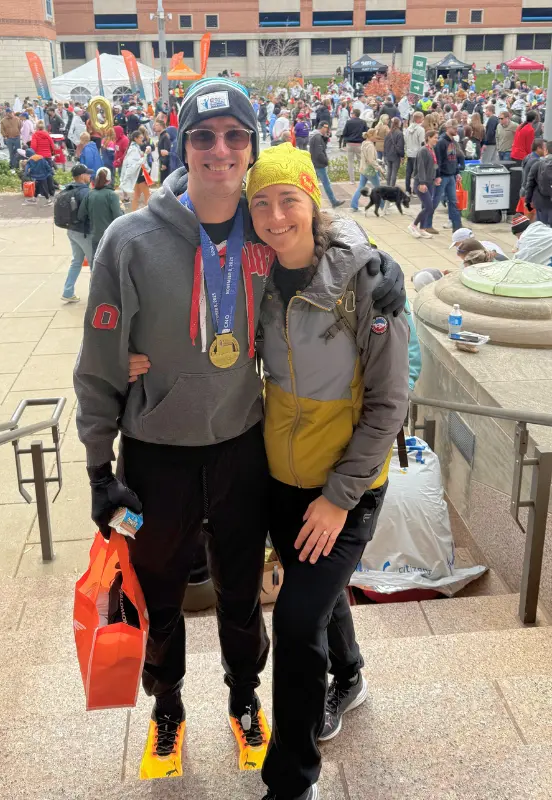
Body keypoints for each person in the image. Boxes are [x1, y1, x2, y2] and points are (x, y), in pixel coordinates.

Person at [74, 77, 406, 786]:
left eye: (234, 136)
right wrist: (101, 470)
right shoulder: (127, 240)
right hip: (156, 454)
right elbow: (97, 365)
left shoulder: (264, 231)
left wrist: (382, 260)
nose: (219, 150)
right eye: (203, 136)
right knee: (161, 594)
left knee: (240, 593)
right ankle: (166, 706)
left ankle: (245, 698)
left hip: (240, 450)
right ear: (182, 146)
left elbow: (322, 228)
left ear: (251, 148)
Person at [244, 144, 409, 800]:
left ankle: (293, 780)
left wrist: (339, 498)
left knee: (292, 618)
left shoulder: (367, 277)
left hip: (346, 489)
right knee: (317, 599)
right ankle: (351, 673)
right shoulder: (254, 275)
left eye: (289, 199)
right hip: (281, 482)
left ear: (313, 200)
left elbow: (390, 401)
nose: (276, 215)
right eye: (261, 203)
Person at [59, 163, 93, 303]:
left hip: (71, 230)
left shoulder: (68, 189)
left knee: (76, 261)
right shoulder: (85, 192)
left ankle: (68, 292)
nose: (90, 176)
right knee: (95, 264)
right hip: (84, 232)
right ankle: (95, 296)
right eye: (87, 174)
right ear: (81, 176)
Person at [77, 166, 124, 258]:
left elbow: (80, 215)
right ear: (109, 180)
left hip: (95, 237)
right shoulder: (112, 195)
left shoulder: (90, 194)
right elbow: (118, 218)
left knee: (97, 266)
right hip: (110, 238)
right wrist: (122, 209)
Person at [408, 129, 440, 239]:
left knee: (427, 206)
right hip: (422, 183)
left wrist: (435, 177)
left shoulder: (432, 149)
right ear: (429, 138)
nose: (437, 139)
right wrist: (422, 183)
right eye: (435, 137)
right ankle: (413, 225)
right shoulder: (423, 151)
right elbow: (420, 167)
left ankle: (422, 228)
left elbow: (433, 165)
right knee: (429, 207)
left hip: (430, 182)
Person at [433, 120, 463, 232]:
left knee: (453, 201)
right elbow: (438, 161)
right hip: (443, 176)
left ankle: (457, 226)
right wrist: (438, 175)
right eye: (454, 128)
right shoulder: (441, 142)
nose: (456, 130)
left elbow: (454, 159)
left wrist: (457, 172)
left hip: (451, 176)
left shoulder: (452, 141)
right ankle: (425, 224)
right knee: (435, 201)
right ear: (448, 128)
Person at [309, 121, 345, 209]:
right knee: (326, 184)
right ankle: (333, 201)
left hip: (315, 163)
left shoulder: (317, 136)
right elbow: (319, 152)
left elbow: (322, 147)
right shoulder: (317, 137)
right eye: (325, 127)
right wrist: (325, 161)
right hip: (319, 164)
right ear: (320, 127)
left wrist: (325, 137)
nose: (326, 129)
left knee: (313, 184)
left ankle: (311, 202)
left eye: (327, 127)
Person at [350, 128, 384, 212]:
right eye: (376, 135)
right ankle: (383, 206)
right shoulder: (370, 146)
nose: (377, 137)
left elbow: (368, 158)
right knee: (378, 188)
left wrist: (377, 161)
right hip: (370, 170)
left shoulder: (364, 144)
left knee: (360, 187)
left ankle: (354, 205)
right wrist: (379, 168)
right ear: (371, 136)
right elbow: (371, 160)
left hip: (363, 169)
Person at [120, 130, 152, 211]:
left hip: (137, 174)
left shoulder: (133, 147)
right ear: (135, 138)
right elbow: (139, 162)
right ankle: (148, 215)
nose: (142, 139)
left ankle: (133, 213)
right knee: (147, 195)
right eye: (140, 138)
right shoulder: (134, 149)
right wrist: (145, 153)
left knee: (136, 196)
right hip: (140, 173)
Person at [525, 140, 552, 226]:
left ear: (546, 151)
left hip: (541, 201)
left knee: (541, 227)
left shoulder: (537, 164)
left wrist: (527, 201)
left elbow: (530, 184)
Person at [342, 109, 367, 184]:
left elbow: (344, 133)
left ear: (354, 114)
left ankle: (352, 180)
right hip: (359, 144)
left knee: (350, 162)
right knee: (361, 162)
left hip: (350, 144)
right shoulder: (363, 122)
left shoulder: (349, 122)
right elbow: (366, 133)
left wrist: (345, 141)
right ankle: (362, 180)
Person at [404, 111, 425, 194]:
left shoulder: (408, 129)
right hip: (417, 154)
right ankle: (415, 191)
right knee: (417, 173)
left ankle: (407, 190)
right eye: (422, 118)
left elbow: (405, 141)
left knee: (408, 173)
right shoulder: (421, 129)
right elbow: (422, 143)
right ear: (419, 119)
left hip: (409, 153)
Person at [383, 117, 404, 187]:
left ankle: (388, 185)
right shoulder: (400, 133)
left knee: (389, 171)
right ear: (398, 123)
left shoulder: (389, 132)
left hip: (388, 154)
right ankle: (392, 187)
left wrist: (385, 155)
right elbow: (400, 146)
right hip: (395, 155)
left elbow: (385, 145)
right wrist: (402, 155)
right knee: (394, 172)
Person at [154, 117, 172, 184]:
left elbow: (166, 150)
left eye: (156, 125)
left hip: (165, 163)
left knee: (164, 182)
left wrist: (164, 164)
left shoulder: (165, 136)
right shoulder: (162, 136)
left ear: (161, 126)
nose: (154, 127)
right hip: (162, 161)